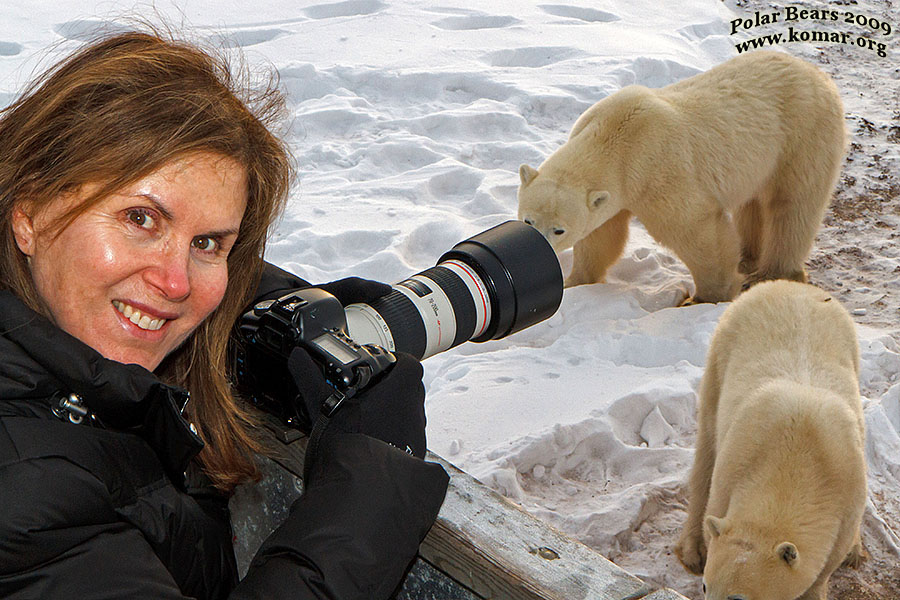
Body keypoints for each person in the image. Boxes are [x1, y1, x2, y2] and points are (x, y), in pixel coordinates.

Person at [0, 29, 448, 599]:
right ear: (30, 213)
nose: (176, 282)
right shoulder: (23, 495)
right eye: (141, 219)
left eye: (209, 243)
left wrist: (277, 308)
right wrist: (371, 488)